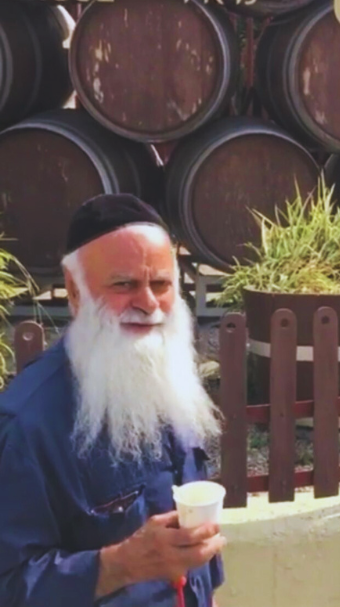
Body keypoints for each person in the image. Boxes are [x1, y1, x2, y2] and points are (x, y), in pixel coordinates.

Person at [0, 194, 226, 606]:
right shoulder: (27, 423)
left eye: (161, 284)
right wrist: (121, 564)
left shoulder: (167, 378)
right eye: (124, 285)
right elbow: (10, 584)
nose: (148, 304)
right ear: (74, 290)